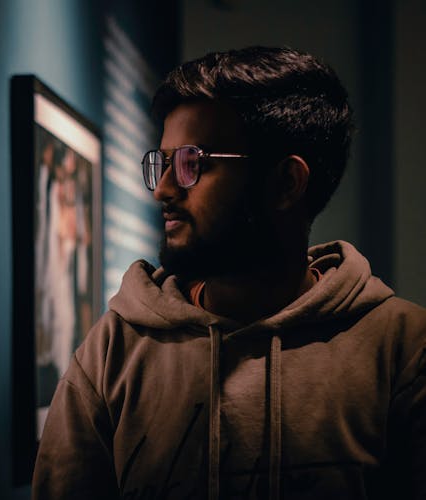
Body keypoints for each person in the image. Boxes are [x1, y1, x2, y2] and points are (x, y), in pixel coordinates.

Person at [33, 46, 426, 499]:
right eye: (162, 163)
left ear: (286, 183)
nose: (162, 189)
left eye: (192, 164)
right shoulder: (114, 353)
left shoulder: (403, 352)